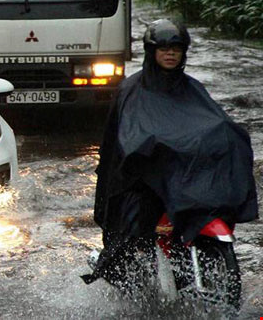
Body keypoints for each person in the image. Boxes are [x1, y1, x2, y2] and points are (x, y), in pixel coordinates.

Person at [84, 19, 258, 287]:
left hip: (182, 174)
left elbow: (213, 122)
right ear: (152, 51)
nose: (170, 53)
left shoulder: (193, 88)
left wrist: (227, 137)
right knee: (131, 232)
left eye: (176, 48)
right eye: (164, 48)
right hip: (142, 177)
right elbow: (124, 139)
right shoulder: (132, 90)